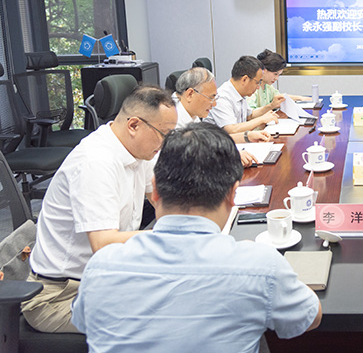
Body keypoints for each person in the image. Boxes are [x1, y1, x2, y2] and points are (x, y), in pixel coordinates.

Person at [72, 122, 322, 351]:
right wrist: (268, 266)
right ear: (233, 195)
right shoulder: (260, 266)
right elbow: (311, 317)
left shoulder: (100, 267)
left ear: (155, 189)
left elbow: (83, 322)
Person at [22, 85, 177, 333]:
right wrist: (172, 237)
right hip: (59, 297)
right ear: (134, 125)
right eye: (164, 134)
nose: (165, 143)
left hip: (103, 279)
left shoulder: (138, 151)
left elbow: (160, 201)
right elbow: (103, 243)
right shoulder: (95, 162)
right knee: (162, 322)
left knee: (183, 296)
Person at [173, 67, 270, 167]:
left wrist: (247, 136)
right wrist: (229, 156)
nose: (214, 104)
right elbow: (192, 160)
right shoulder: (172, 119)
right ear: (190, 94)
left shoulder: (191, 112)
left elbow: (209, 142)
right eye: (211, 97)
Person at [204, 55, 280, 134]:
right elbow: (232, 130)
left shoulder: (239, 93)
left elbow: (250, 116)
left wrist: (271, 106)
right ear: (244, 79)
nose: (258, 87)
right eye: (257, 82)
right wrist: (261, 119)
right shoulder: (222, 97)